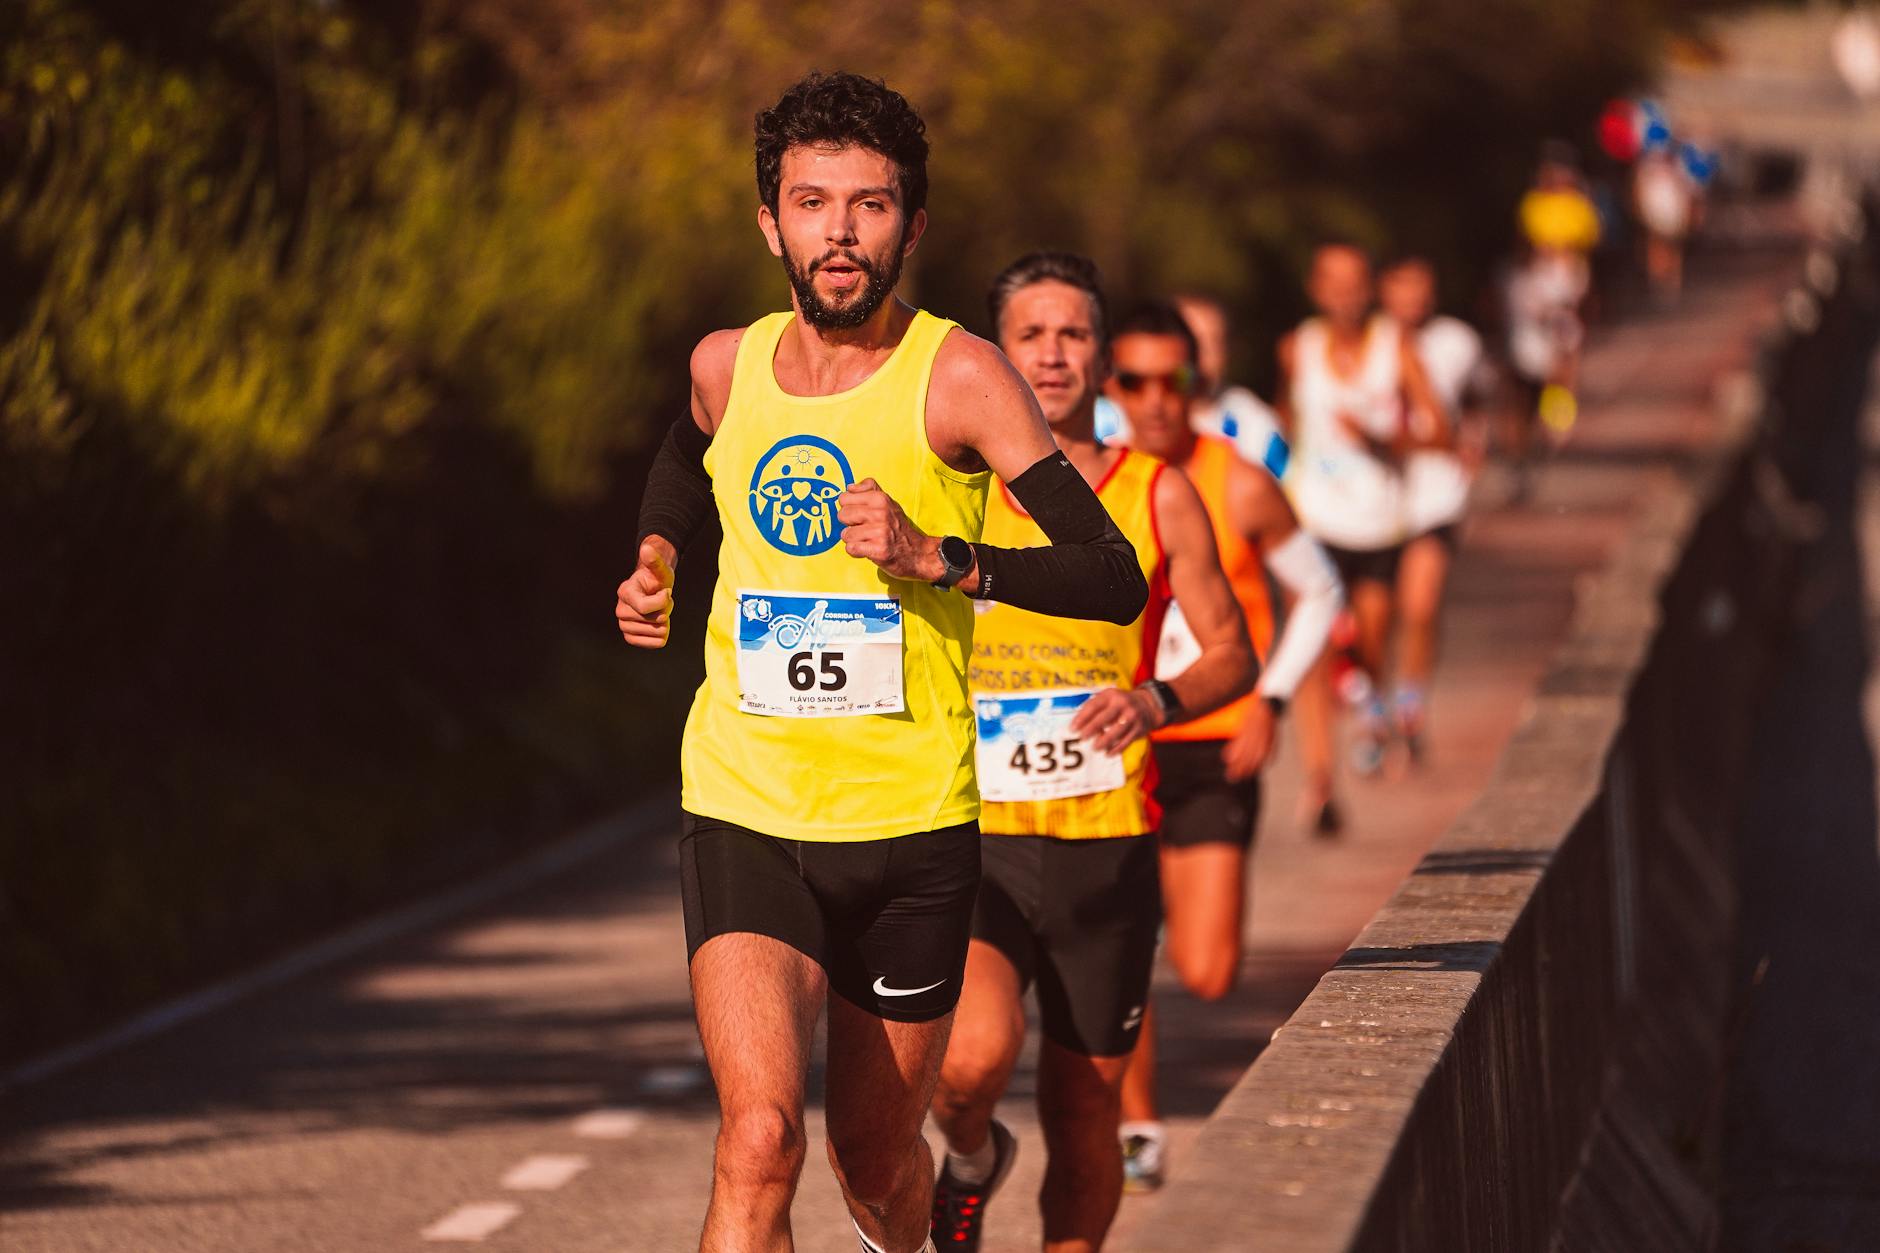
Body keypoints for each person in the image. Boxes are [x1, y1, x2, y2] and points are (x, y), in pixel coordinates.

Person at [614, 73, 1148, 1253]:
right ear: (771, 224)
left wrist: (943, 557)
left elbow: (1112, 575)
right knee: (757, 1138)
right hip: (745, 796)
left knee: (869, 1161)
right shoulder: (724, 363)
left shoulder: (959, 378)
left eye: (869, 204)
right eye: (812, 203)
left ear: (913, 225)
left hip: (908, 821)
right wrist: (656, 553)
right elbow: (682, 447)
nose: (840, 231)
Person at [928, 256, 1256, 1252]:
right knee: (969, 1058)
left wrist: (1155, 697)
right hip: (973, 838)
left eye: (1073, 334)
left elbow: (1234, 649)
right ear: (994, 354)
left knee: (1083, 1122)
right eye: (1030, 334)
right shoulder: (952, 490)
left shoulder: (1156, 494)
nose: (1053, 354)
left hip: (1104, 843)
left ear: (1102, 359)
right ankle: (972, 1154)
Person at [1104, 301, 1344, 1190]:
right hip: (1121, 736)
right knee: (1127, 936)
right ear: (1109, 385)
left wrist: (1272, 698)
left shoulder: (1238, 479)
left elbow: (1319, 593)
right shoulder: (1083, 478)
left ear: (1197, 385)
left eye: (1176, 382)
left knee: (1206, 969)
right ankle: (1138, 1123)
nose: (1157, 401)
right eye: (1136, 382)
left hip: (1214, 739)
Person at [1278, 244, 1442, 815]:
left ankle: (1367, 695)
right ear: (1315, 288)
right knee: (1313, 647)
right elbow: (1285, 424)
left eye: (1355, 281)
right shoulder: (1297, 348)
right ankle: (1320, 780)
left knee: (1373, 640)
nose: (1344, 292)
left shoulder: (1397, 347)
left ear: (1369, 287)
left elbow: (1439, 431)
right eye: (1333, 281)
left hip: (1376, 522)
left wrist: (1384, 442)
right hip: (1313, 519)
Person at [1377, 255, 1485, 762]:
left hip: (1436, 493)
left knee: (1420, 604)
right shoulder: (1364, 345)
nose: (1412, 300)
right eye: (1402, 287)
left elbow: (1478, 397)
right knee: (1374, 614)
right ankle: (1370, 704)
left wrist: (1474, 442)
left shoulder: (1457, 342)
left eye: (1422, 288)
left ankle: (1411, 700)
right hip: (1373, 496)